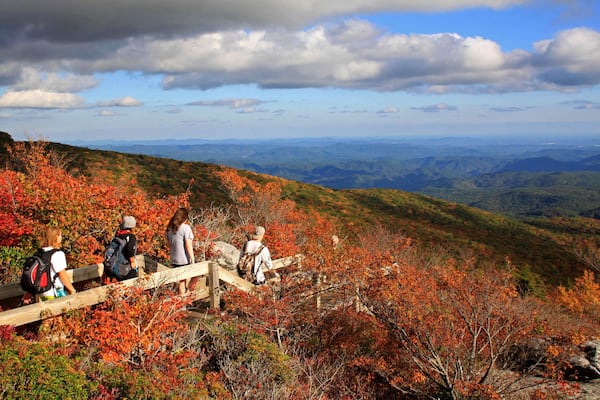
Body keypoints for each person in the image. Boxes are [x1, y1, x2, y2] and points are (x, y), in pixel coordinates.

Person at [23, 226, 76, 303]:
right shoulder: (57, 254)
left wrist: (28, 293)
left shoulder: (39, 253)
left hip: (40, 292)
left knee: (45, 314)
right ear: (56, 237)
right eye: (60, 235)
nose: (61, 237)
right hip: (53, 291)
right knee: (57, 313)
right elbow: (62, 274)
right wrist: (72, 290)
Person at [167, 207, 196, 295]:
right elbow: (188, 245)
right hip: (184, 259)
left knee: (181, 281)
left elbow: (169, 243)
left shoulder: (170, 228)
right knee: (192, 278)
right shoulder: (185, 228)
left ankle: (182, 301)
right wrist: (192, 259)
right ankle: (183, 301)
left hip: (174, 258)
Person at [103, 215, 138, 283]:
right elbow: (129, 250)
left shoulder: (118, 235)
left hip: (113, 268)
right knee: (133, 284)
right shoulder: (131, 237)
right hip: (124, 269)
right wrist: (133, 262)